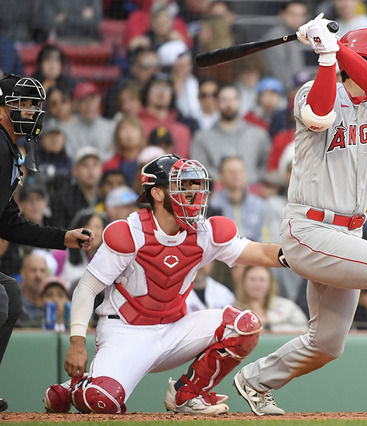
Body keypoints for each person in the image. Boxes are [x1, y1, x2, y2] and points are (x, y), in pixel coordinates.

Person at [233, 19, 367, 418]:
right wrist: (328, 55)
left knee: (327, 343)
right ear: (363, 56)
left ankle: (256, 380)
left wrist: (334, 47)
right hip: (308, 229)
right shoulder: (313, 90)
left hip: (349, 235)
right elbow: (319, 115)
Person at [44, 154, 287, 415]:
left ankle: (188, 395)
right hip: (125, 332)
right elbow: (87, 288)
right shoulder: (128, 232)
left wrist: (302, 256)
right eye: (184, 186)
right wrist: (77, 343)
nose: (194, 193)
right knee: (101, 402)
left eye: (196, 186)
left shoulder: (206, 231)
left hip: (174, 330)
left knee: (245, 326)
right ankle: (76, 386)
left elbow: (261, 253)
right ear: (158, 193)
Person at [0, 74, 95, 412]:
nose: (30, 112)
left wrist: (62, 238)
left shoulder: (9, 148)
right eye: (22, 104)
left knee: (10, 294)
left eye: (33, 105)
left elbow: (8, 221)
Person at [234, 265, 308, 333]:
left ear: (270, 283)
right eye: (252, 279)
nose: (257, 284)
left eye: (262, 280)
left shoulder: (288, 306)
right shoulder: (235, 311)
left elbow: (304, 331)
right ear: (244, 282)